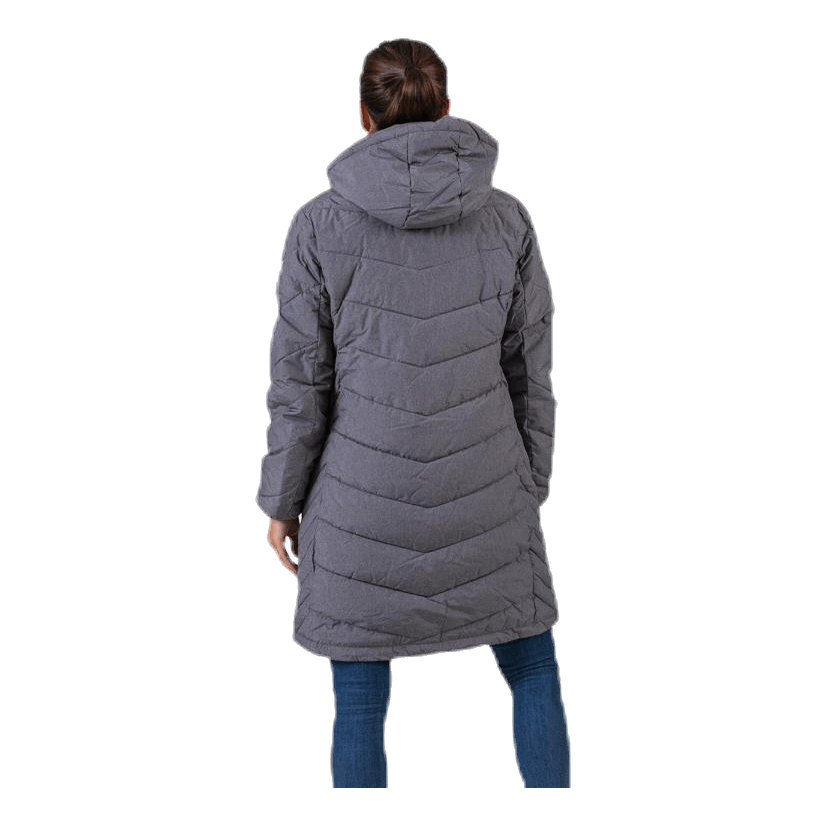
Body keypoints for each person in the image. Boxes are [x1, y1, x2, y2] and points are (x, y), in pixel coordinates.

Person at [257, 38, 570, 788]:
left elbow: (300, 382)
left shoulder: (317, 226)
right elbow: (532, 367)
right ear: (448, 109)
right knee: (532, 668)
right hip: (487, 486)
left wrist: (282, 502)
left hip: (359, 502)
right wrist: (530, 478)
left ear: (364, 117)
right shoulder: (509, 219)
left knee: (359, 702)